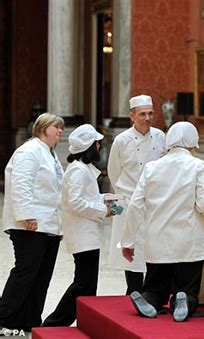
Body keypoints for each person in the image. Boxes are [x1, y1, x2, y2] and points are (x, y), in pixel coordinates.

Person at [121, 121, 204, 322]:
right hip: (188, 241)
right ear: (193, 141)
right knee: (189, 288)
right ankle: (183, 299)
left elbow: (135, 206)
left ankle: (148, 299)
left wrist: (128, 242)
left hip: (158, 241)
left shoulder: (151, 167)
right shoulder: (197, 165)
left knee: (155, 288)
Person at [42, 124, 113, 327]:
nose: (99, 146)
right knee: (83, 284)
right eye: (97, 143)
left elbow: (86, 197)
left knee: (87, 285)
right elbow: (76, 203)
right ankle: (54, 323)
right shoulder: (78, 171)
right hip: (83, 235)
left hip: (87, 234)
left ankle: (81, 321)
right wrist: (103, 210)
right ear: (89, 146)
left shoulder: (80, 170)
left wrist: (104, 199)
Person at [0, 113, 64, 333]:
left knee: (41, 275)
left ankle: (30, 320)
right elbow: (21, 184)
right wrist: (27, 215)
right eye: (57, 127)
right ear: (43, 128)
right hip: (31, 225)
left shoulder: (50, 154)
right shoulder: (29, 151)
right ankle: (5, 319)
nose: (60, 131)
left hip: (49, 225)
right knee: (25, 273)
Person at [107, 94, 166, 295]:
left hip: (153, 201)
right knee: (130, 247)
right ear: (132, 116)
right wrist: (123, 197)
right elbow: (114, 172)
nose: (147, 118)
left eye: (150, 113)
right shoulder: (121, 141)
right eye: (142, 114)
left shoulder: (160, 137)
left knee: (152, 247)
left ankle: (151, 292)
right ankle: (133, 291)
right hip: (129, 199)